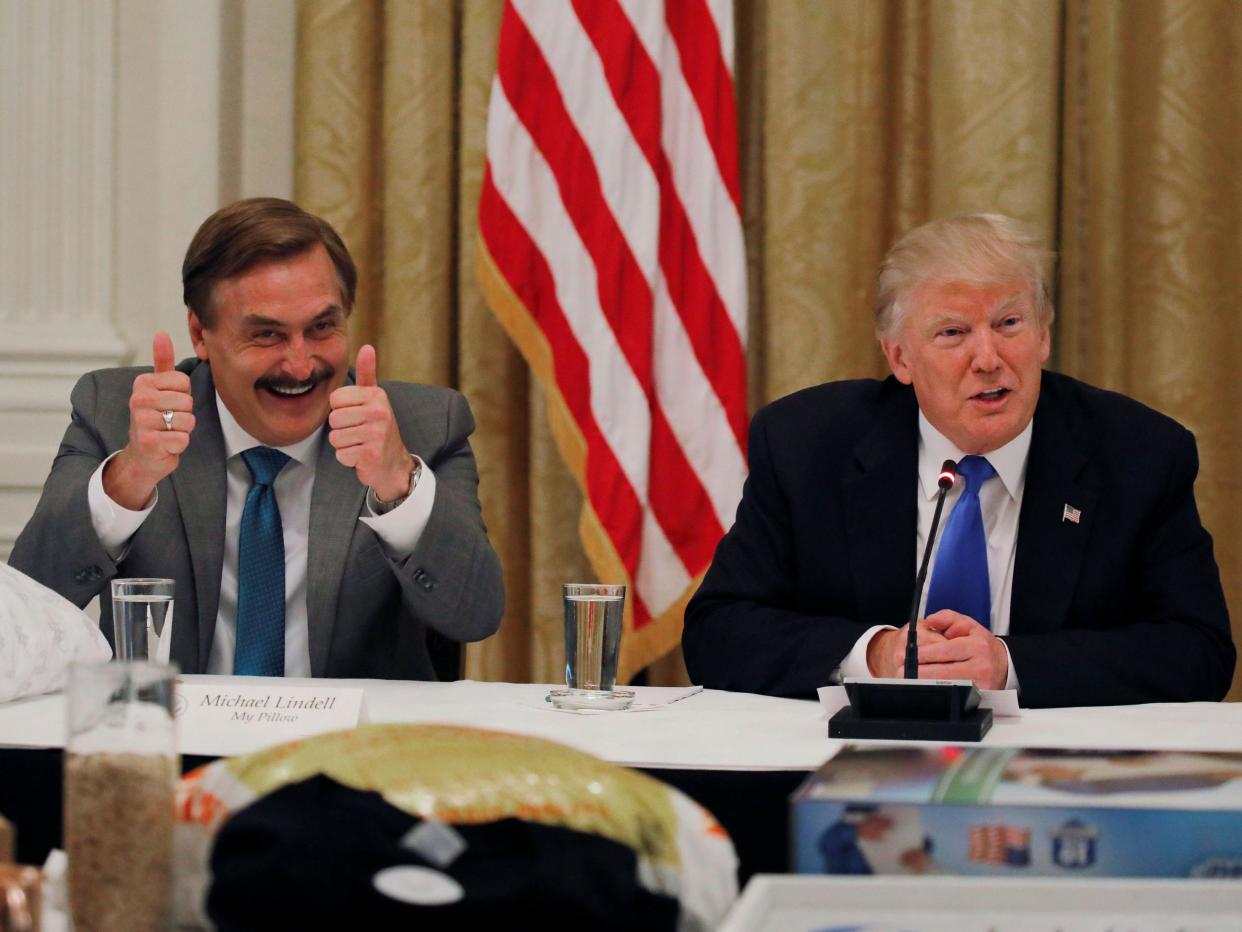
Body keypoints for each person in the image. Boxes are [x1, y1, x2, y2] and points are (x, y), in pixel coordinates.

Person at [683, 213, 1234, 707]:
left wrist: (1009, 665)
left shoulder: (1138, 454)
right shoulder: (806, 446)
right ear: (900, 357)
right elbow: (718, 632)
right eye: (954, 333)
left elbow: (1199, 652)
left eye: (1009, 324)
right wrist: (872, 656)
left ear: (1043, 335)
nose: (989, 359)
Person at [10, 198, 503, 679]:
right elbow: (29, 610)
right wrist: (130, 477)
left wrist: (399, 484)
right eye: (267, 335)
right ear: (201, 336)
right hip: (173, 745)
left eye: (322, 327)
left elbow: (475, 615)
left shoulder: (423, 425)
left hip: (351, 751)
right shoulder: (119, 414)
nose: (300, 363)